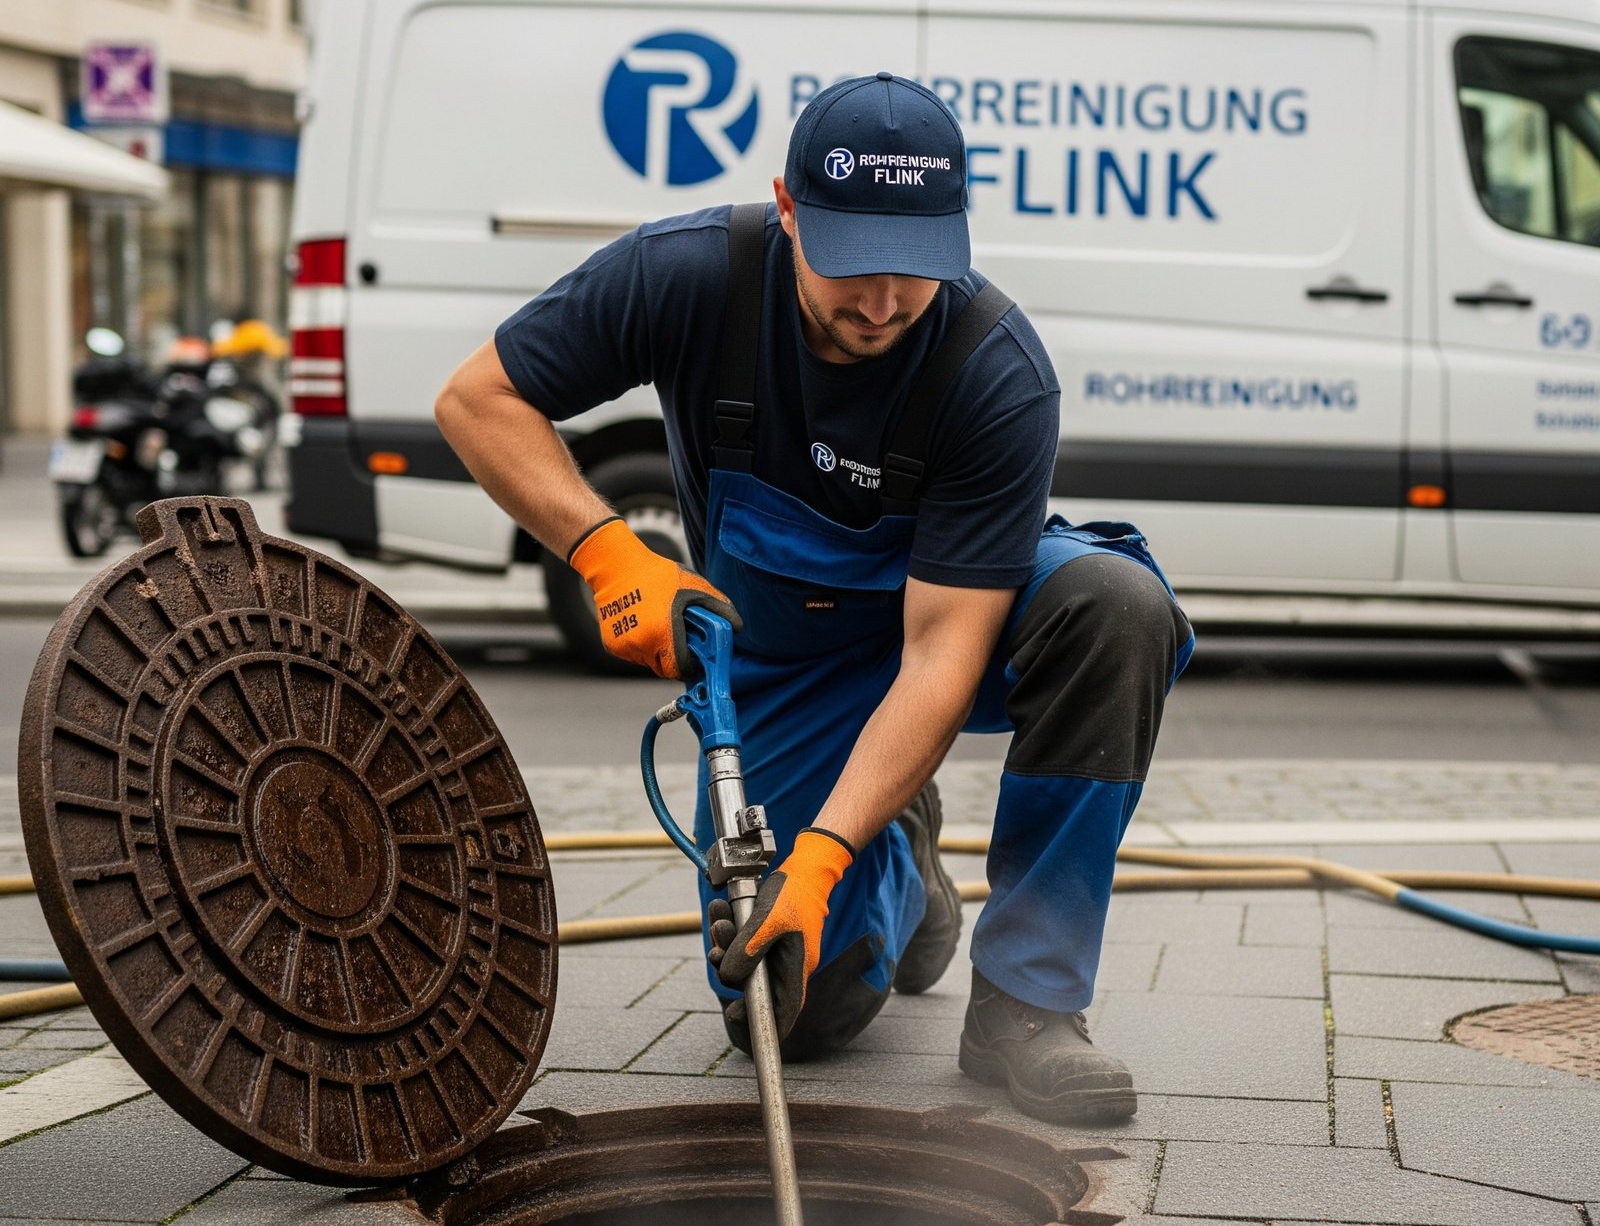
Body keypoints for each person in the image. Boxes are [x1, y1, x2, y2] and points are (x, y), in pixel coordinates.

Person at [436, 72, 1193, 1125]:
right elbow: (478, 398)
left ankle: (1027, 1002)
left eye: (912, 271)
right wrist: (606, 550)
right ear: (789, 212)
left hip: (945, 631)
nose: (881, 304)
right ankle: (906, 872)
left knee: (1115, 606)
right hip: (783, 660)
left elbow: (939, 658)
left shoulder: (996, 369)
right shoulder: (684, 276)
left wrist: (819, 854)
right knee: (784, 1016)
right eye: (849, 267)